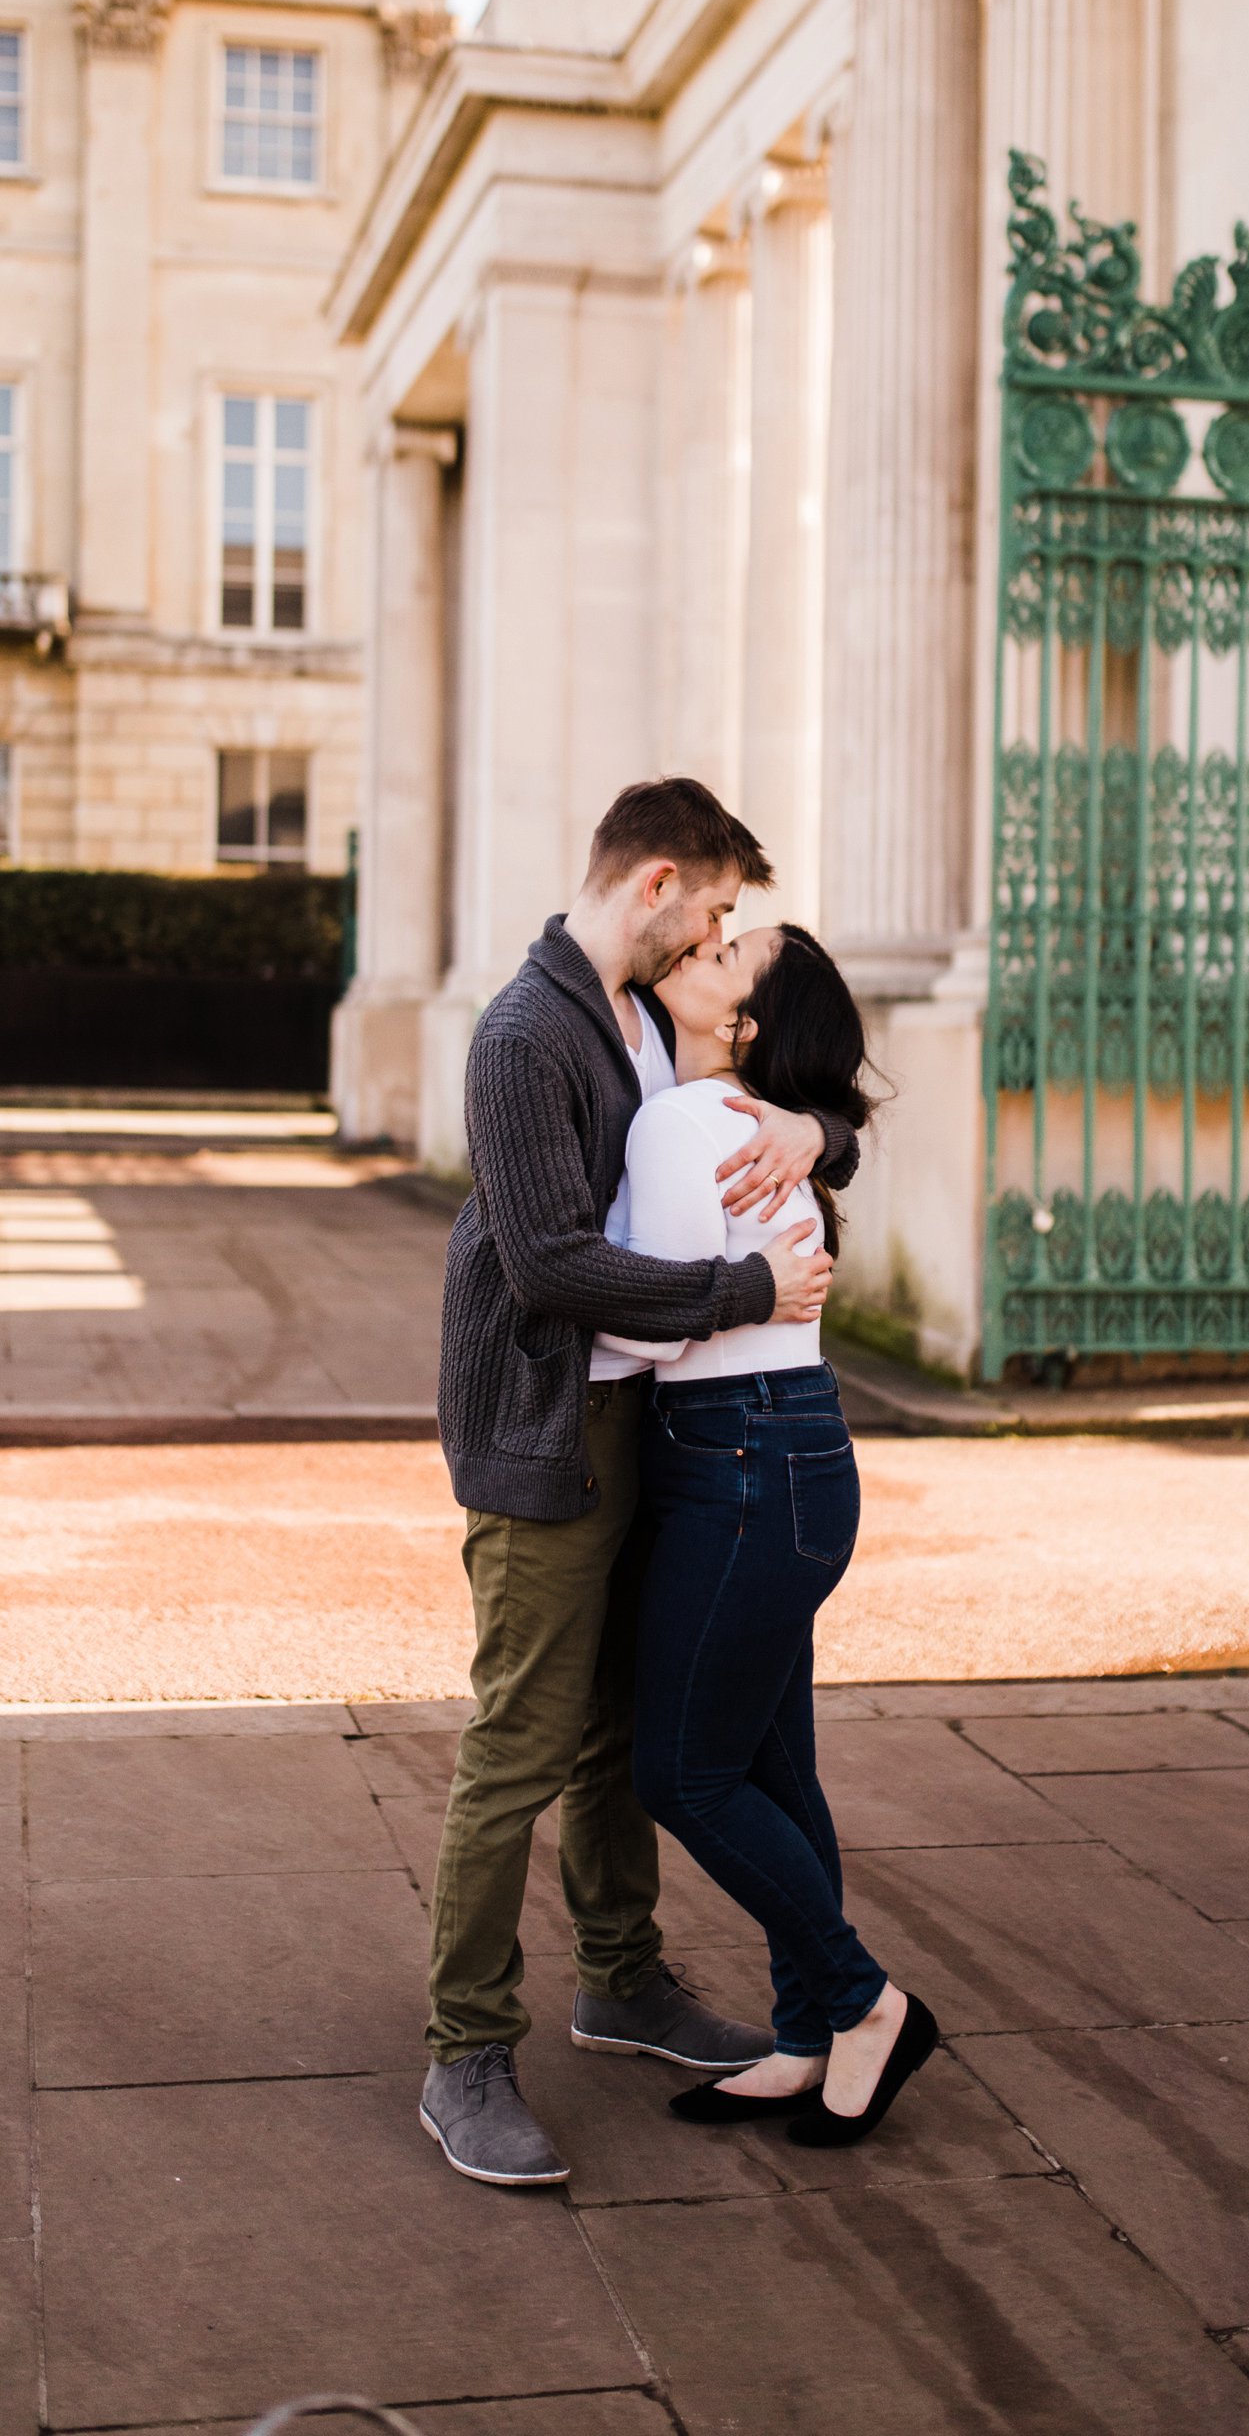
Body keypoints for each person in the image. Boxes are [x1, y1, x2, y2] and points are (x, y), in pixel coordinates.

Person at [419, 778, 861, 2188]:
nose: (723, 936)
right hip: (544, 1435)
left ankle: (622, 1981)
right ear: (660, 882)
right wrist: (745, 1285)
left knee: (620, 1736)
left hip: (645, 1433)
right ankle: (465, 2052)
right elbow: (550, 1264)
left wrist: (816, 1133)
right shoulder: (524, 1032)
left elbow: (755, 1111)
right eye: (721, 910)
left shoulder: (634, 1022)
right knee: (521, 1744)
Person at [606, 922, 937, 2145]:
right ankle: (807, 2034)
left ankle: (861, 2003)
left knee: (681, 1774)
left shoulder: (681, 1121)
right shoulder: (736, 1118)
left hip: (738, 1463)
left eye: (726, 952)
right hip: (784, 1456)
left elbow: (651, 1329)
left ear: (740, 1024)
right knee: (770, 1769)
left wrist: (550, 1311)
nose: (700, 943)